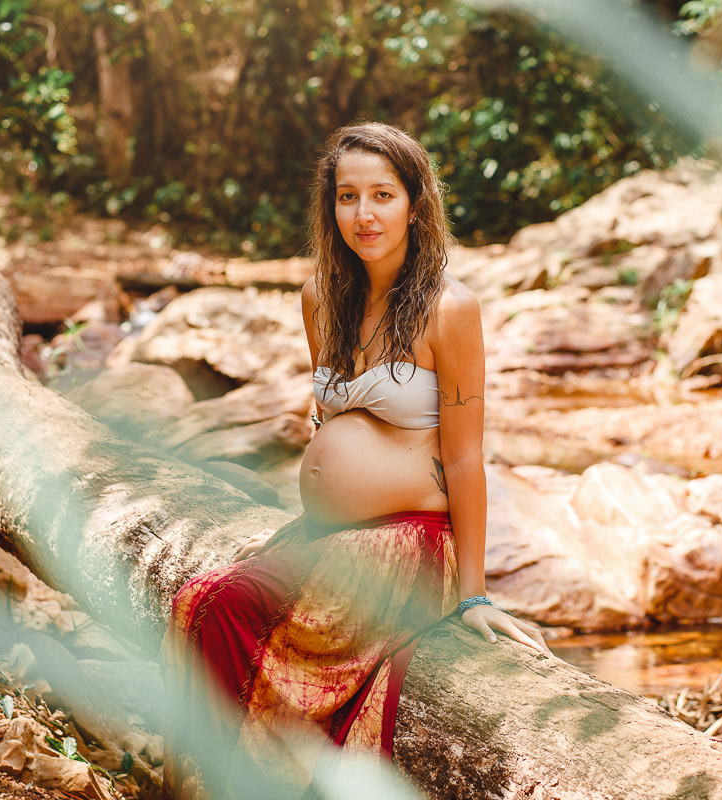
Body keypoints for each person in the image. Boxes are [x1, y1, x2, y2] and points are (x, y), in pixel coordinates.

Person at [162, 122, 549, 798]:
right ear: (329, 206)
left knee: (218, 604)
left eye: (382, 195)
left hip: (409, 542)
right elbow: (331, 425)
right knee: (195, 601)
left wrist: (475, 595)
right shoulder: (320, 301)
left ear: (416, 204)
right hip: (332, 537)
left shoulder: (448, 309)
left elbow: (464, 459)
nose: (364, 215)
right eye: (347, 197)